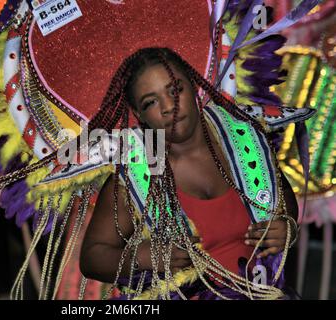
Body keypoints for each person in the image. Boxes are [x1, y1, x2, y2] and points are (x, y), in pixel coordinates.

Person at [79, 47, 302, 300]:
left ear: (194, 87)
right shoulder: (132, 176)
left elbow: (282, 193)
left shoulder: (243, 136)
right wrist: (143, 256)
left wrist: (287, 226)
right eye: (150, 102)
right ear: (139, 114)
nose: (168, 107)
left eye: (175, 90)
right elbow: (91, 258)